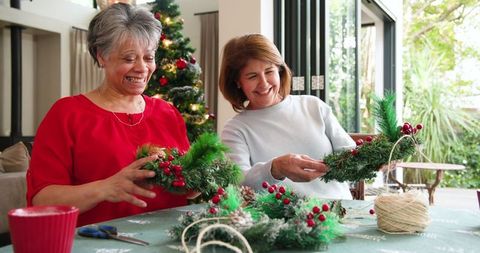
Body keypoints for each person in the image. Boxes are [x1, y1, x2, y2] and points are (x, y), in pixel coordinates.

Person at [26, 3, 190, 226]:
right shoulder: (67, 115)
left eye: (149, 57)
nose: (142, 68)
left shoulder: (168, 113)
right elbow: (42, 200)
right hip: (95, 243)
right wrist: (105, 188)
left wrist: (200, 181)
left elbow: (186, 189)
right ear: (101, 55)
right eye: (129, 58)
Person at [219, 34, 356, 200]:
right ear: (237, 82)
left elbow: (350, 153)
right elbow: (239, 183)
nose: (264, 83)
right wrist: (275, 168)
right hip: (281, 222)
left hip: (341, 211)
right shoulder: (235, 129)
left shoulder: (313, 106)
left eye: (269, 71)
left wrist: (373, 159)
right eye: (252, 76)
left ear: (280, 71)